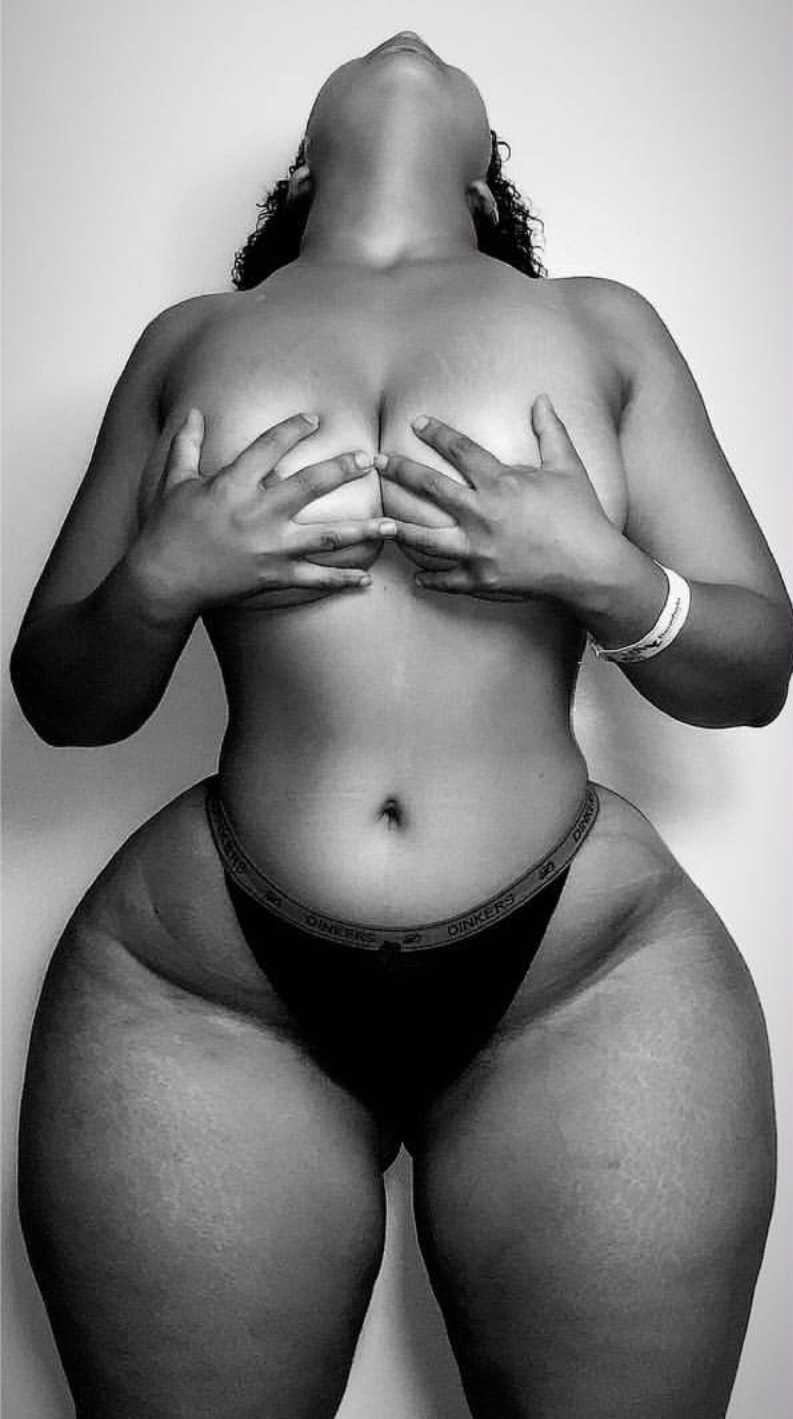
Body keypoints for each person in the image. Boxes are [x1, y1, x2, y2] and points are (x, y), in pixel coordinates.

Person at [11, 28, 792, 1419]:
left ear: (487, 190)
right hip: (205, 997)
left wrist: (608, 575)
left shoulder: (601, 326)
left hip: (583, 979)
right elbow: (62, 702)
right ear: (302, 177)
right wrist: (159, 580)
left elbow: (757, 674)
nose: (408, 48)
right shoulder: (187, 340)